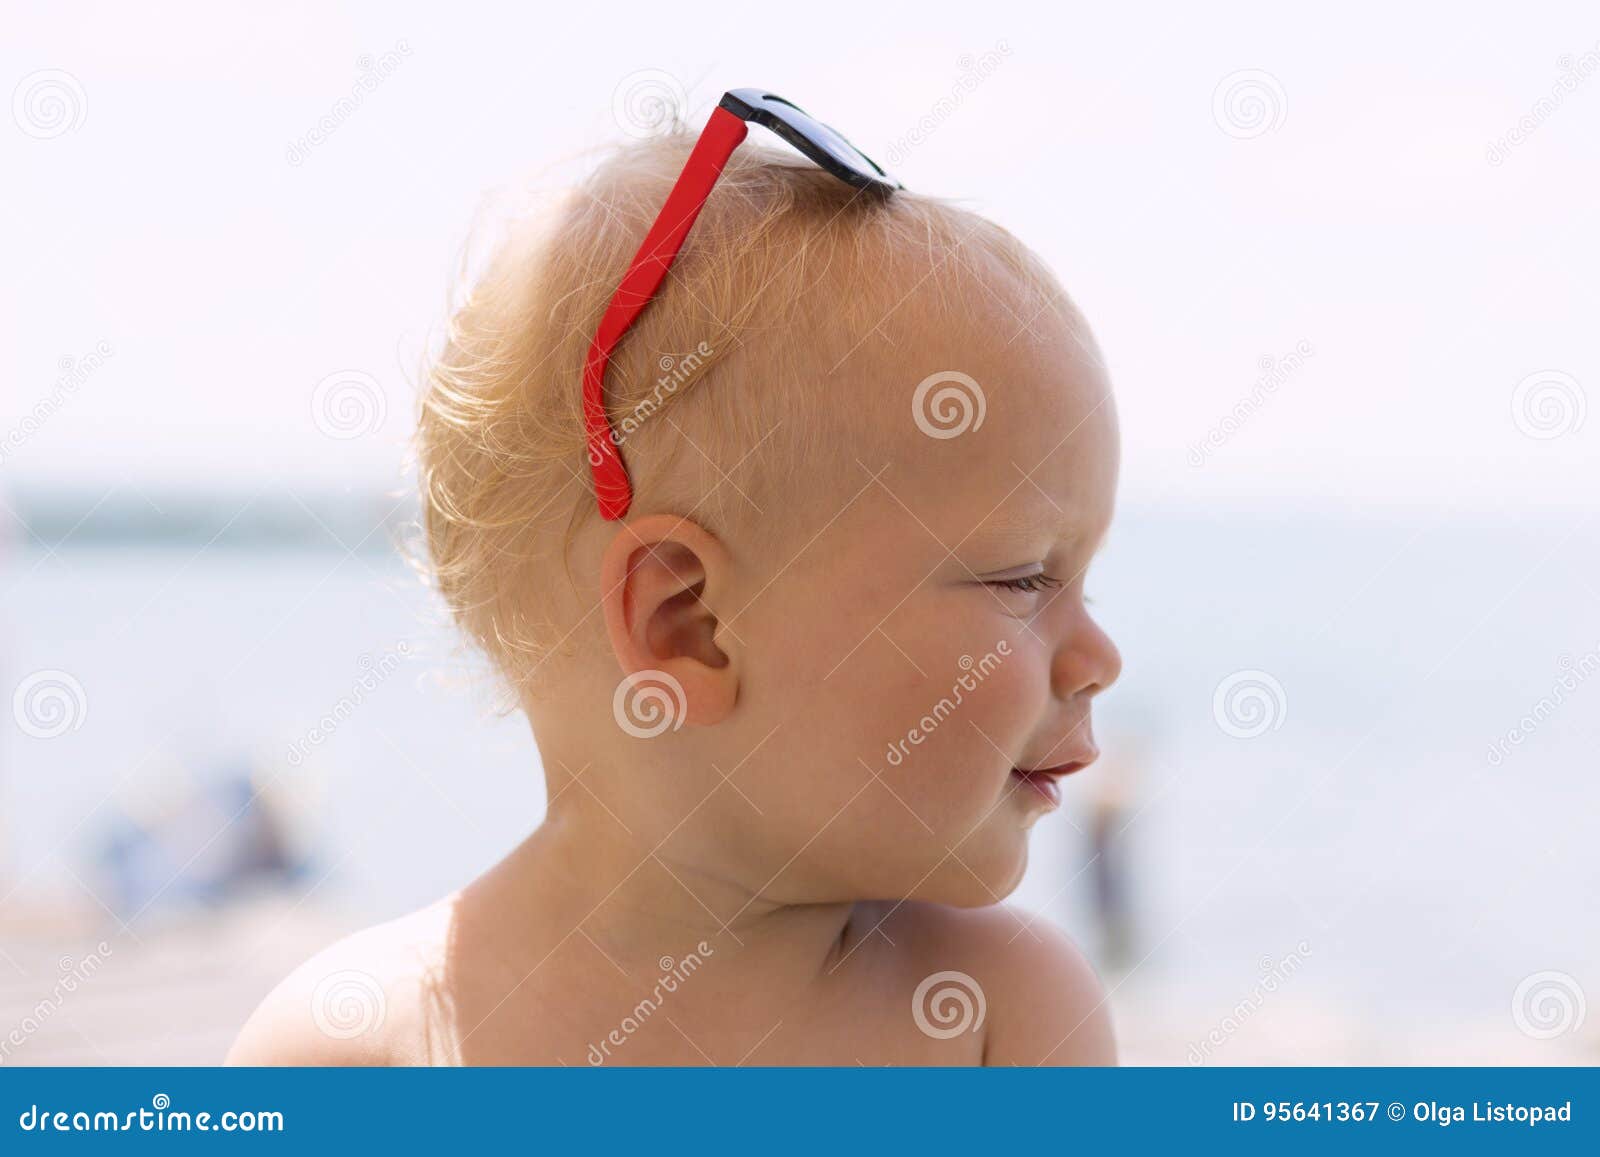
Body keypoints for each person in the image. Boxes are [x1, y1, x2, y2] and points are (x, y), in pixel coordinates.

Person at [228, 102, 1123, 1066]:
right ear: (688, 624)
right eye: (1024, 579)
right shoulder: (359, 1046)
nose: (1100, 658)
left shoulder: (1007, 1017)